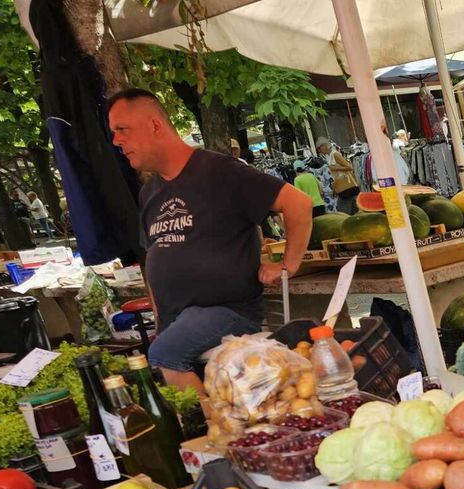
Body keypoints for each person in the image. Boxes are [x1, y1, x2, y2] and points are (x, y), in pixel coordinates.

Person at [106, 88, 313, 390]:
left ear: (154, 125)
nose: (115, 141)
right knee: (166, 350)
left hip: (229, 312)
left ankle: (213, 432)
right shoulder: (149, 192)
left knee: (164, 354)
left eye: (122, 129)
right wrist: (162, 322)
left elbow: (298, 203)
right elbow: (153, 257)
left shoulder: (220, 171)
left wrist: (288, 263)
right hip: (179, 321)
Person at [318, 137, 359, 214]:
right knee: (349, 209)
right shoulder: (329, 156)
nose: (319, 151)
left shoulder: (335, 154)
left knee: (345, 210)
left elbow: (349, 167)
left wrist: (335, 168)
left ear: (324, 146)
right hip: (341, 186)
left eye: (319, 148)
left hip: (346, 185)